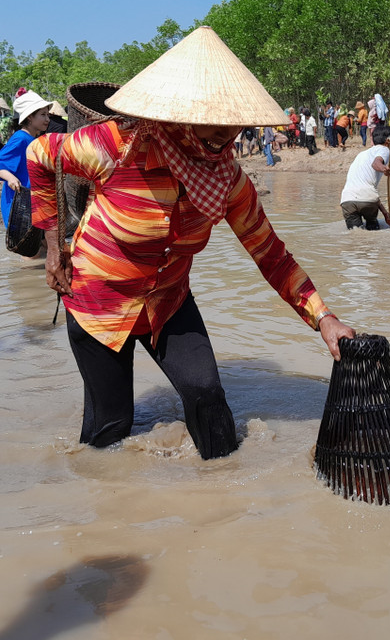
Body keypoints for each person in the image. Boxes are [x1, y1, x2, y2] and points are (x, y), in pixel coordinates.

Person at [26, 26, 355, 460]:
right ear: (178, 111)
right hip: (98, 300)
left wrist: (323, 317)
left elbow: (270, 255)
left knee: (207, 398)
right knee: (109, 430)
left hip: (168, 299)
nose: (225, 135)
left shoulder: (229, 181)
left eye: (233, 123)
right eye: (212, 122)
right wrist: (54, 249)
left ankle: (224, 499)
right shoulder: (116, 146)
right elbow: (40, 156)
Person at [0, 89, 52, 227]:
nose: (47, 119)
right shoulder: (20, 139)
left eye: (48, 114)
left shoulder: (34, 139)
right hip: (18, 204)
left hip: (32, 203)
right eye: (43, 114)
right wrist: (11, 178)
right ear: (29, 116)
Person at [339, 126, 390, 230]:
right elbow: (376, 163)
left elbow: (366, 189)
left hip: (347, 200)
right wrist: (384, 169)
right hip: (367, 201)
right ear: (388, 141)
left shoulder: (362, 154)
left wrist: (385, 213)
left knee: (355, 235)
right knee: (373, 232)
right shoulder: (384, 149)